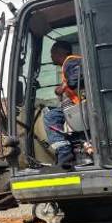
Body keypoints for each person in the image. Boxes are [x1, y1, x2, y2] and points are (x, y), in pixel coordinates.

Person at [42, 40, 83, 169]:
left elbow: (76, 80)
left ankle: (64, 152)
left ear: (63, 52)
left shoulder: (71, 61)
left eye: (53, 52)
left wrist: (62, 88)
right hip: (79, 103)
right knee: (53, 110)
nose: (51, 56)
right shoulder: (70, 63)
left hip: (81, 105)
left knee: (51, 117)